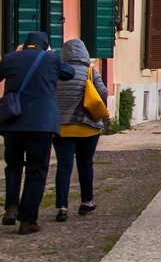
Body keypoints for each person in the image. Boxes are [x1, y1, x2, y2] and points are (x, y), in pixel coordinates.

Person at [2, 32, 76, 235]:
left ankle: (11, 207)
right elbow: (69, 73)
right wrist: (51, 54)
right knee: (36, 171)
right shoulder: (51, 58)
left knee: (13, 166)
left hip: (13, 122)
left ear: (25, 45)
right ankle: (27, 220)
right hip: (41, 124)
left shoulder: (11, 58)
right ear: (45, 46)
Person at [52, 39, 107, 222]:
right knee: (85, 164)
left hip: (62, 127)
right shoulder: (90, 72)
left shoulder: (57, 73)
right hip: (88, 128)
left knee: (63, 166)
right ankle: (87, 202)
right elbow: (104, 93)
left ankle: (62, 206)